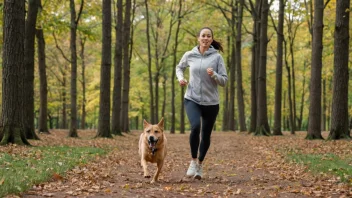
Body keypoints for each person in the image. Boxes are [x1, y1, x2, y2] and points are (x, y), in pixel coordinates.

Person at [175, 27, 228, 180]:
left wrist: (215, 75)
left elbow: (224, 81)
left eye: (208, 36)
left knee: (206, 134)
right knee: (195, 127)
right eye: (203, 35)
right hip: (192, 98)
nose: (205, 38)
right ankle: (192, 161)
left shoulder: (217, 58)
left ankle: (200, 164)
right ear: (198, 38)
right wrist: (181, 79)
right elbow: (180, 68)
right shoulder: (189, 55)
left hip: (211, 102)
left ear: (211, 39)